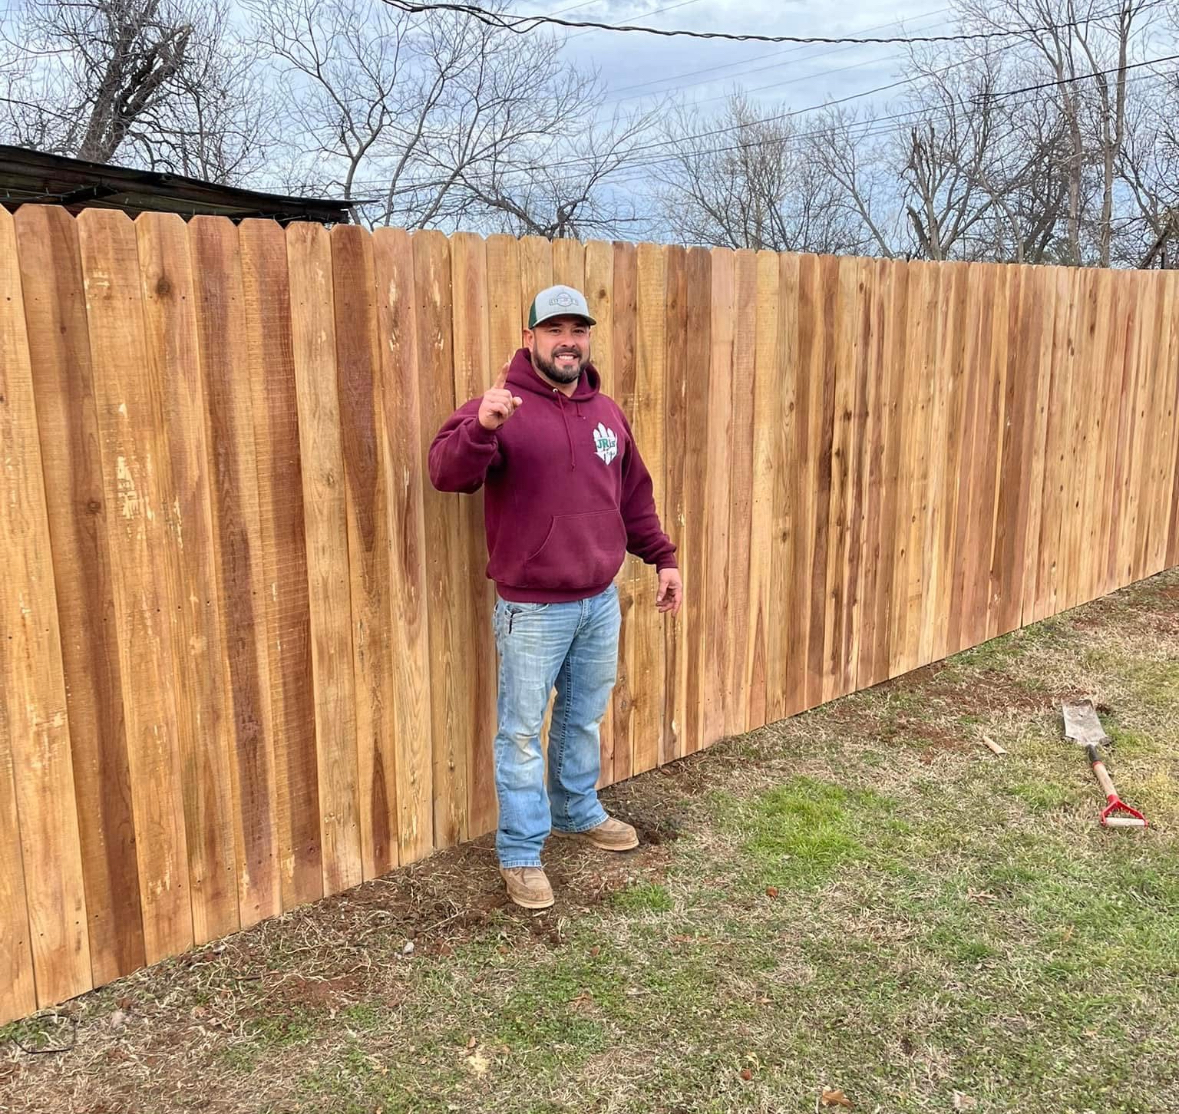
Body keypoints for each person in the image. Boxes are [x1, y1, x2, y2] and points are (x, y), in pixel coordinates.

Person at [428, 283, 683, 910]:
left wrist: (664, 558)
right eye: (554, 330)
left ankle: (576, 809)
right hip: (532, 609)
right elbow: (446, 473)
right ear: (531, 338)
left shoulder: (607, 412)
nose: (568, 342)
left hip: (599, 599)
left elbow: (633, 495)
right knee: (520, 732)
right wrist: (483, 427)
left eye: (578, 331)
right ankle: (520, 851)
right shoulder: (499, 406)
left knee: (581, 717)